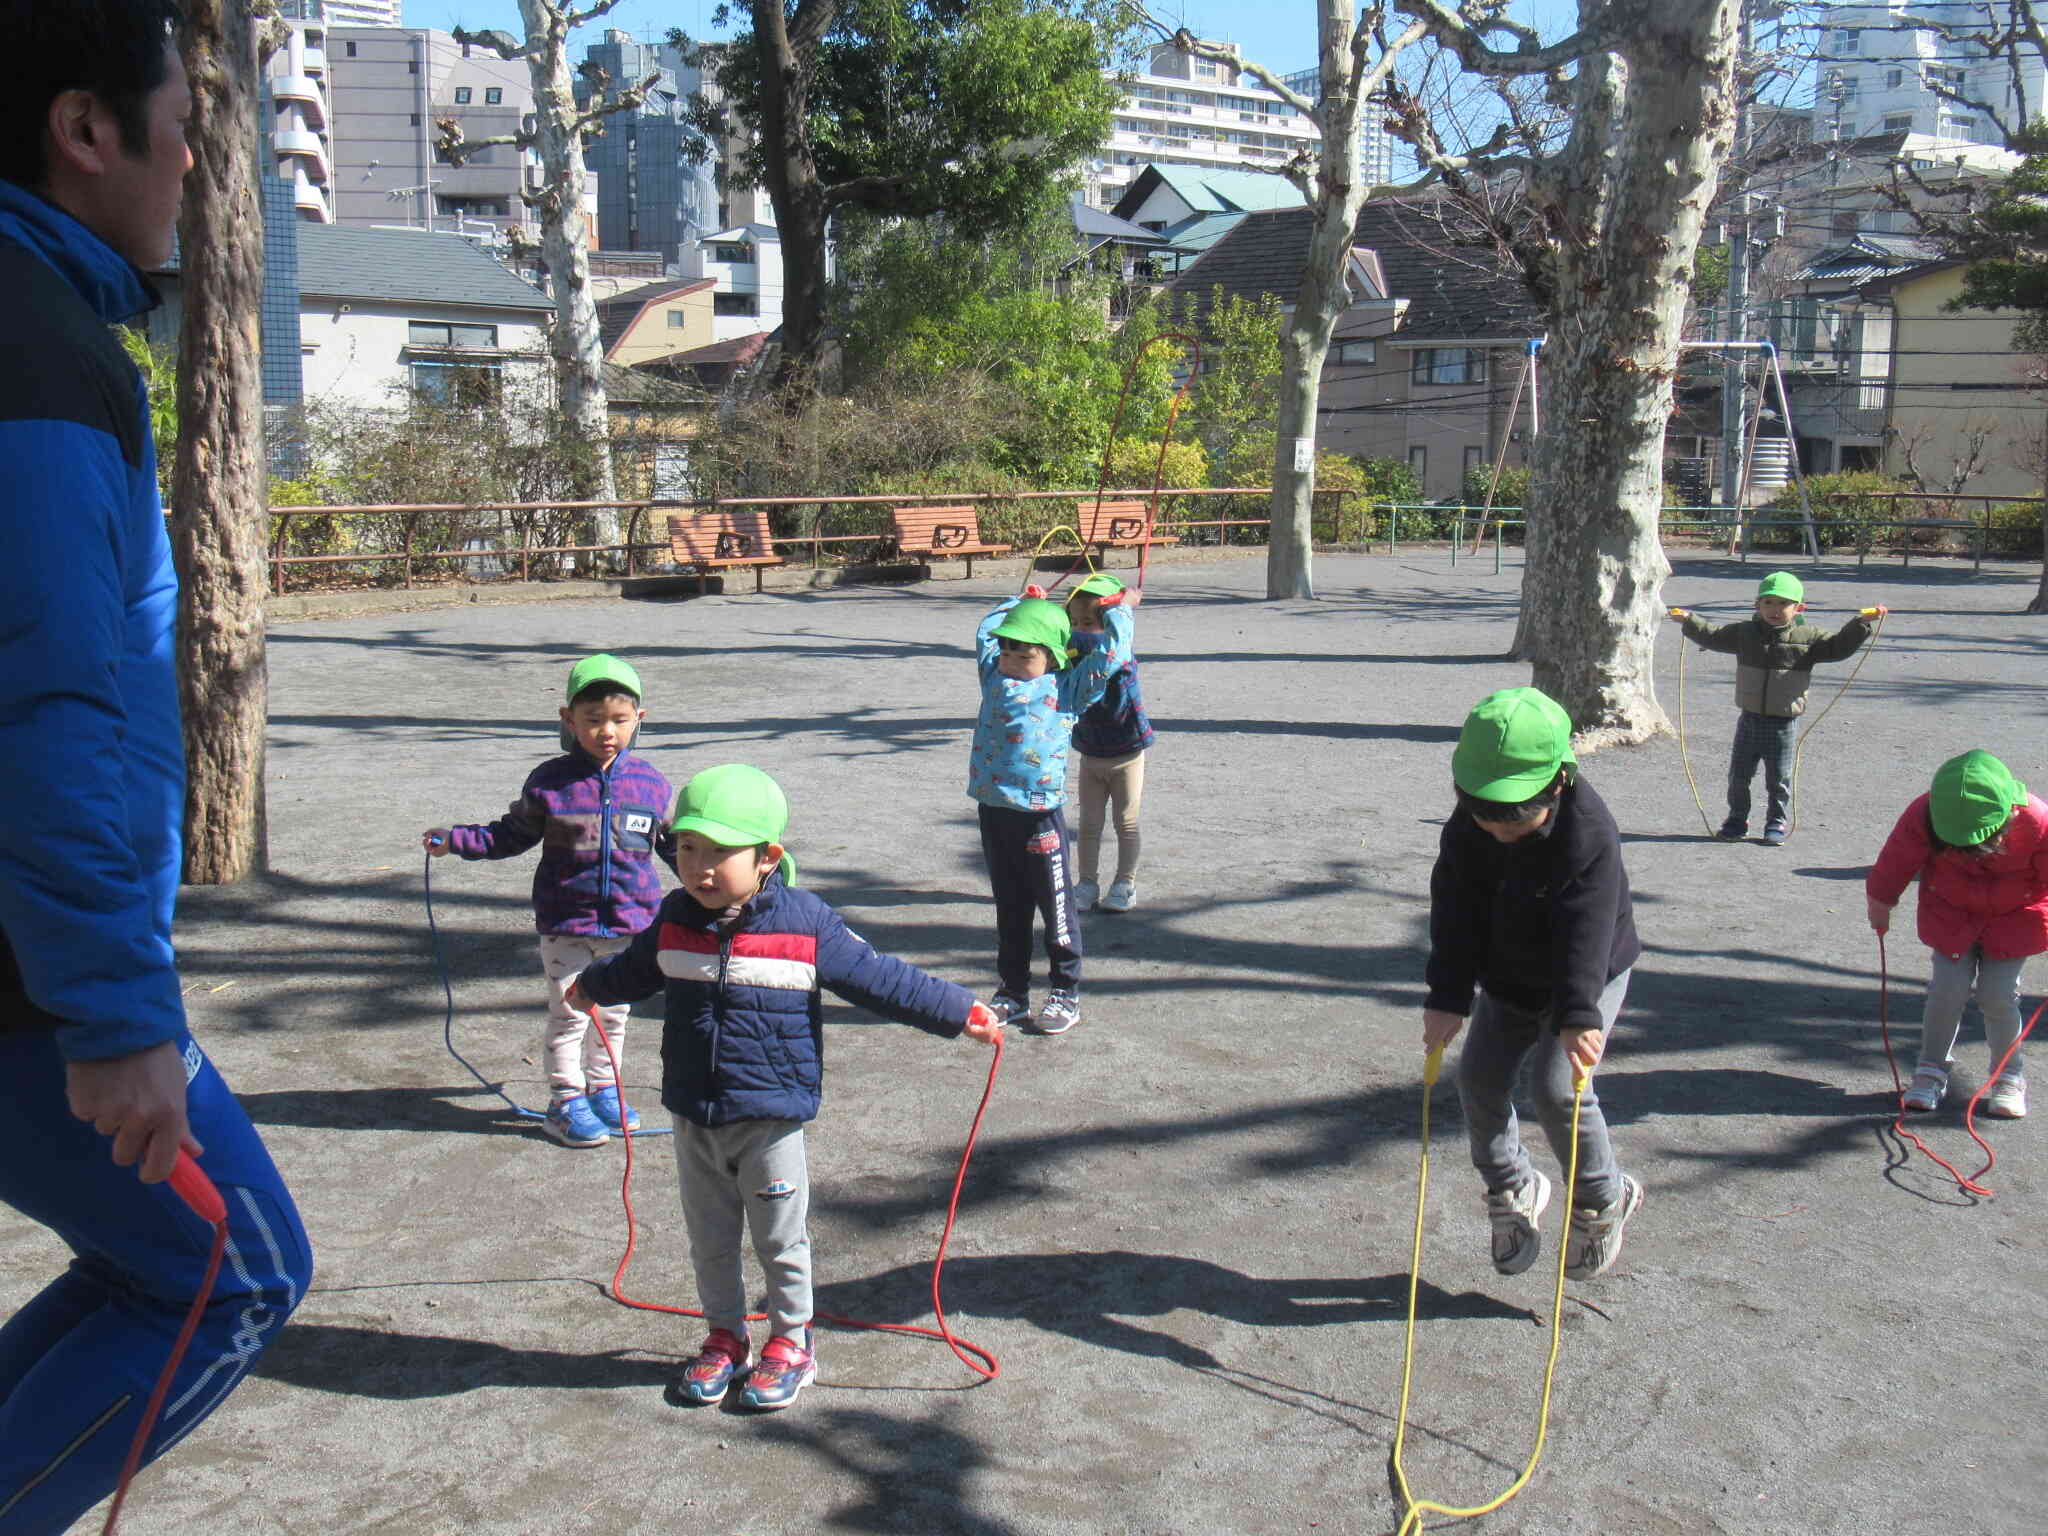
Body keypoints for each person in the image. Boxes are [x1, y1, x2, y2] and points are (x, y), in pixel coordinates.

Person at [0, 8, 313, 1529]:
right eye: (183, 120)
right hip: (27, 972)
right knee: (235, 1266)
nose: (199, 156)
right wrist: (113, 1011)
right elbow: (49, 695)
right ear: (84, 130)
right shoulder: (33, 348)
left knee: (160, 1265)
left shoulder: (56, 323)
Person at [567, 765, 1002, 1411]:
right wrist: (591, 987)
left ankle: (792, 1343)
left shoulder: (806, 924)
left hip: (769, 1117)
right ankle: (725, 1336)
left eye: (720, 853)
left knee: (779, 1240)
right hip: (694, 1114)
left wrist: (956, 1009)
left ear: (768, 857)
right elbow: (635, 969)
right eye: (687, 848)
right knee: (709, 1239)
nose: (699, 867)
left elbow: (877, 976)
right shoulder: (674, 919)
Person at [1421, 688, 1645, 1282]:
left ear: (1558, 784)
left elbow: (1587, 933)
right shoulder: (1470, 828)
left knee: (1559, 1090)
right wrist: (1447, 997)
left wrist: (1578, 1015)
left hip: (1587, 975)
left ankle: (1602, 1198)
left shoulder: (1589, 833)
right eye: (1484, 815)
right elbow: (1455, 910)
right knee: (1479, 1080)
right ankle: (1514, 1187)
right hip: (1507, 973)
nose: (1498, 831)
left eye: (1516, 819)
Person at [425, 654, 676, 1148]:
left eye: (619, 720)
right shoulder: (550, 782)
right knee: (569, 1016)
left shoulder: (652, 783)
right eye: (593, 720)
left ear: (639, 720)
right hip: (567, 923)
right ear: (568, 720)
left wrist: (724, 879)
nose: (607, 731)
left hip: (631, 924)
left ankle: (604, 1090)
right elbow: (510, 835)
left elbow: (675, 847)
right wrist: (456, 840)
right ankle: (564, 1102)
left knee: (613, 1016)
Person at [968, 590, 1129, 1034]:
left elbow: (1111, 656)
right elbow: (984, 635)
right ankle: (1013, 991)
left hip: (1039, 817)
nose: (1010, 659)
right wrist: (1014, 603)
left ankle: (1065, 990)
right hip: (994, 809)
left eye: (1024, 652)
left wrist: (1118, 611)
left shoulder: (1068, 688)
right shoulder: (993, 677)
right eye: (1006, 649)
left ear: (1054, 656)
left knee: (1056, 906)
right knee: (1010, 906)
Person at [1866, 750, 2048, 1119]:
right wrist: (1880, 901)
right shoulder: (1923, 812)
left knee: (1998, 995)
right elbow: (1896, 859)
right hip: (1949, 913)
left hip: (2015, 918)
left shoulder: (2037, 819)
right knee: (1946, 990)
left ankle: (2008, 1077)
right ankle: (1930, 1069)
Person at [1668, 572, 1884, 847]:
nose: (1774, 609)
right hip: (1749, 719)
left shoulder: (1809, 637)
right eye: (1768, 602)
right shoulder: (1744, 633)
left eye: (1783, 603)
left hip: (1783, 723)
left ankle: (1775, 822)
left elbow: (1838, 647)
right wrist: (1689, 620)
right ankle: (1737, 819)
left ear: (1799, 609)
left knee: (1778, 778)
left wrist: (1860, 623)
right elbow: (1714, 636)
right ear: (1757, 605)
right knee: (1739, 776)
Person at [1066, 574, 1152, 915]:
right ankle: (1086, 884)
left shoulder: (1120, 656)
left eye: (1088, 622)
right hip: (1091, 754)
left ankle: (1124, 883)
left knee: (1126, 822)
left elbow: (1114, 645)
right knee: (1088, 824)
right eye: (1074, 622)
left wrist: (1123, 608)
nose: (1079, 630)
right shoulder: (1072, 658)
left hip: (1127, 752)